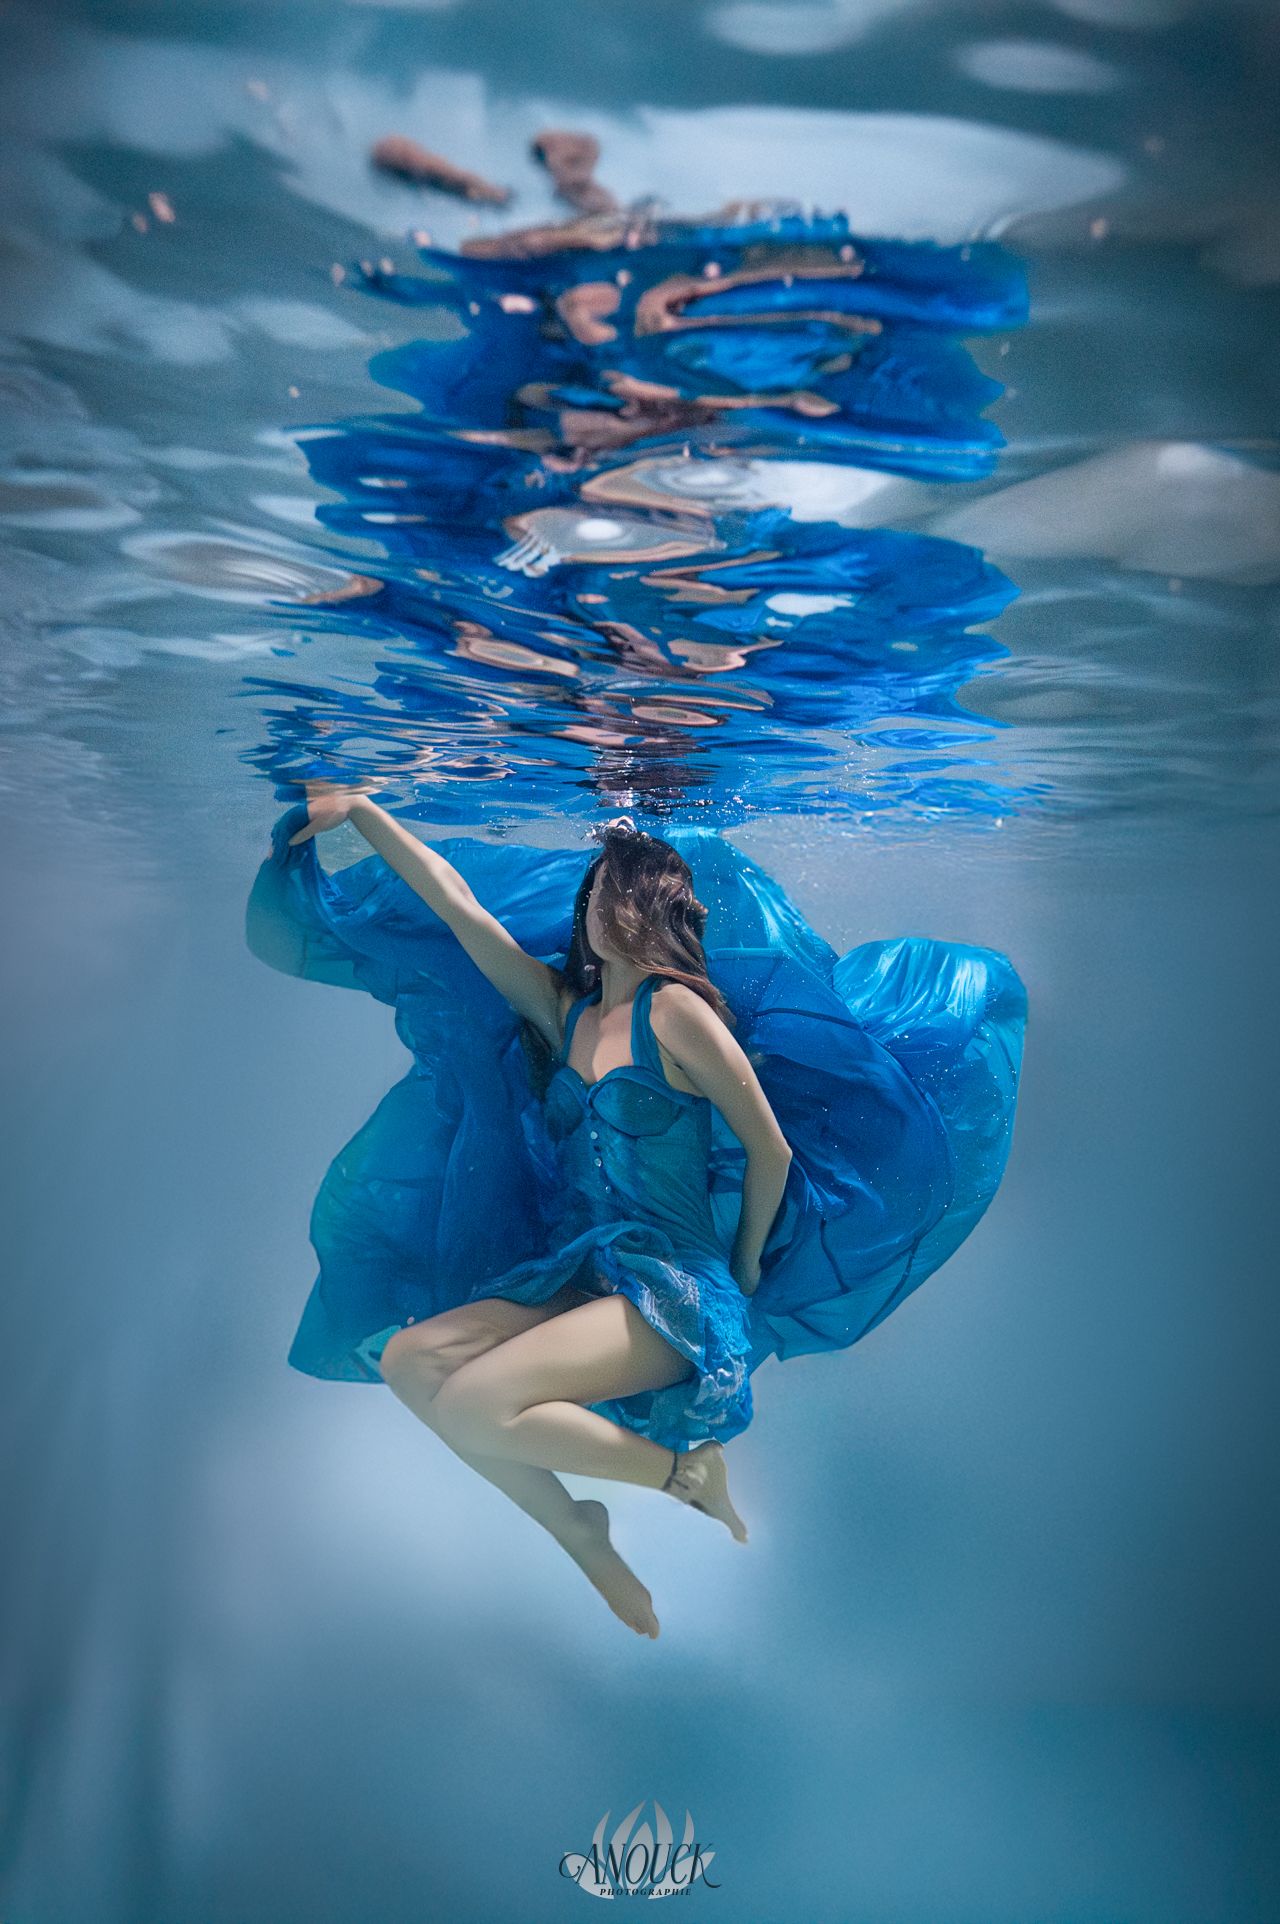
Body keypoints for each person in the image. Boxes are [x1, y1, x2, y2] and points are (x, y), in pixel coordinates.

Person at [249, 791, 1027, 1639]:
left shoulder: (677, 1012)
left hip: (677, 1294)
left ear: (650, 908)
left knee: (475, 1406)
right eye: (591, 896)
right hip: (588, 1272)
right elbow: (457, 902)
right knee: (409, 1361)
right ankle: (580, 1528)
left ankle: (681, 1475)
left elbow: (770, 1151)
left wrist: (747, 1267)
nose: (593, 910)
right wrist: (364, 811)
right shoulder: (565, 1012)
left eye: (613, 895)